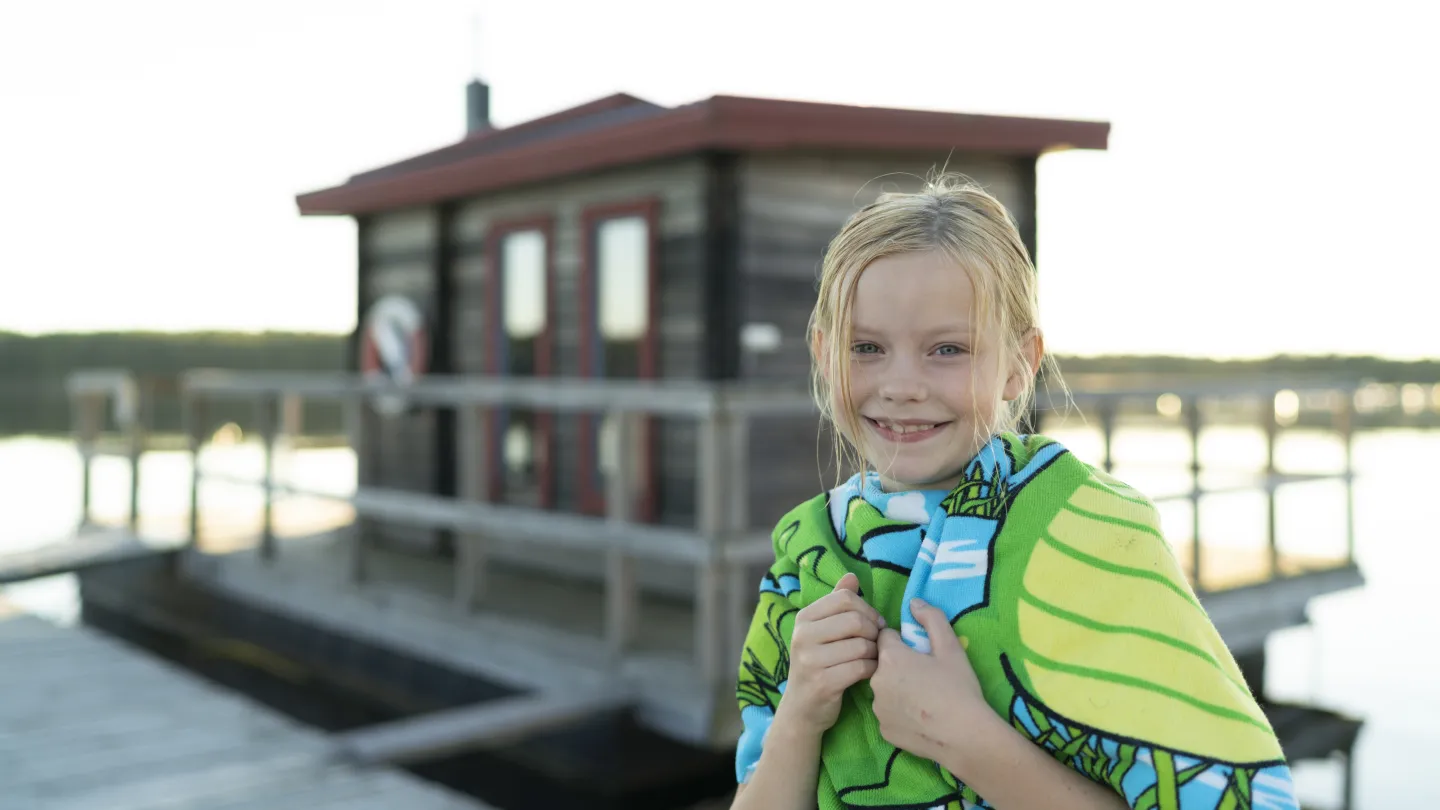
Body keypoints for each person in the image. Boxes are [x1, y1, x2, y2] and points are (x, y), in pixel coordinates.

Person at [729, 175, 1299, 810]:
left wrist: (964, 737)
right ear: (822, 351)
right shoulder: (808, 554)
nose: (902, 384)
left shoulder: (1090, 529)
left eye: (947, 349)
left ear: (1019, 362)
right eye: (867, 348)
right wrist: (803, 706)